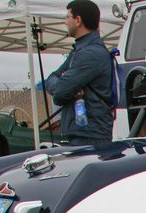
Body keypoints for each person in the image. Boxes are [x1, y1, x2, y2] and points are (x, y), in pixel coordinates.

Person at [45, 0, 114, 146]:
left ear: (78, 20)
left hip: (89, 135)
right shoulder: (79, 51)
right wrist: (64, 85)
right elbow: (51, 79)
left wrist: (63, 85)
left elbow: (60, 94)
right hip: (82, 132)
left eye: (67, 17)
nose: (65, 22)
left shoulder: (90, 53)